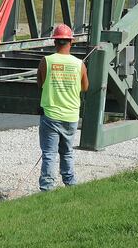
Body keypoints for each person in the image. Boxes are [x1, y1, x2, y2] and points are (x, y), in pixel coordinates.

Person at [36, 23, 89, 191]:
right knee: (67, 152)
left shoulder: (47, 61)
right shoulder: (79, 64)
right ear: (71, 42)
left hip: (51, 115)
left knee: (49, 154)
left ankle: (47, 188)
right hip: (71, 116)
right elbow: (85, 87)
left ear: (55, 42)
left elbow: (40, 83)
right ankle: (70, 184)